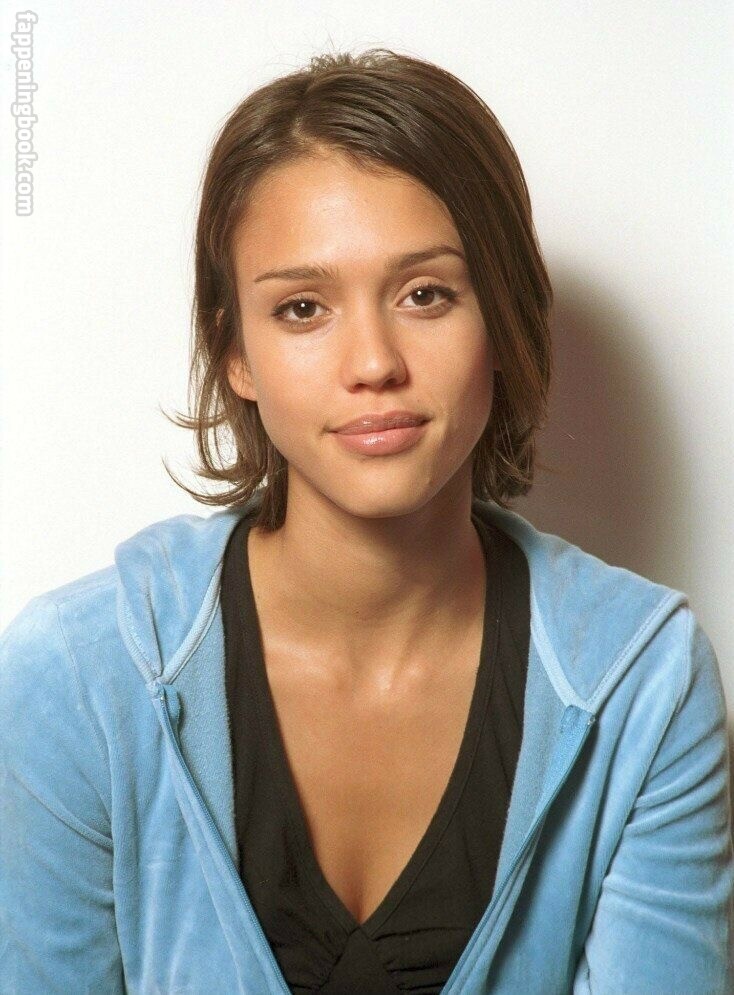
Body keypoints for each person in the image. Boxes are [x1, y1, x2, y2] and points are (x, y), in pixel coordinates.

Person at [0, 48, 731, 995]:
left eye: (426, 294)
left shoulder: (645, 683)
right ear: (236, 353)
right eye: (303, 308)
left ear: (501, 317)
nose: (374, 362)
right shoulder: (77, 678)